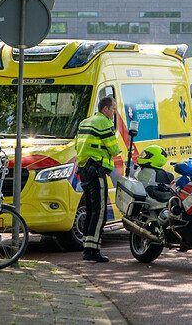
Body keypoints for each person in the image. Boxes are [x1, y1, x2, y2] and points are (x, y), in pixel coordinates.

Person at [75, 96, 121, 263]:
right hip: (96, 169)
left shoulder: (84, 122)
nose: (114, 112)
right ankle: (93, 250)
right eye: (113, 109)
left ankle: (88, 248)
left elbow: (77, 145)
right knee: (100, 211)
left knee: (90, 210)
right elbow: (114, 149)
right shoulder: (104, 123)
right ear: (105, 109)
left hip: (84, 169)